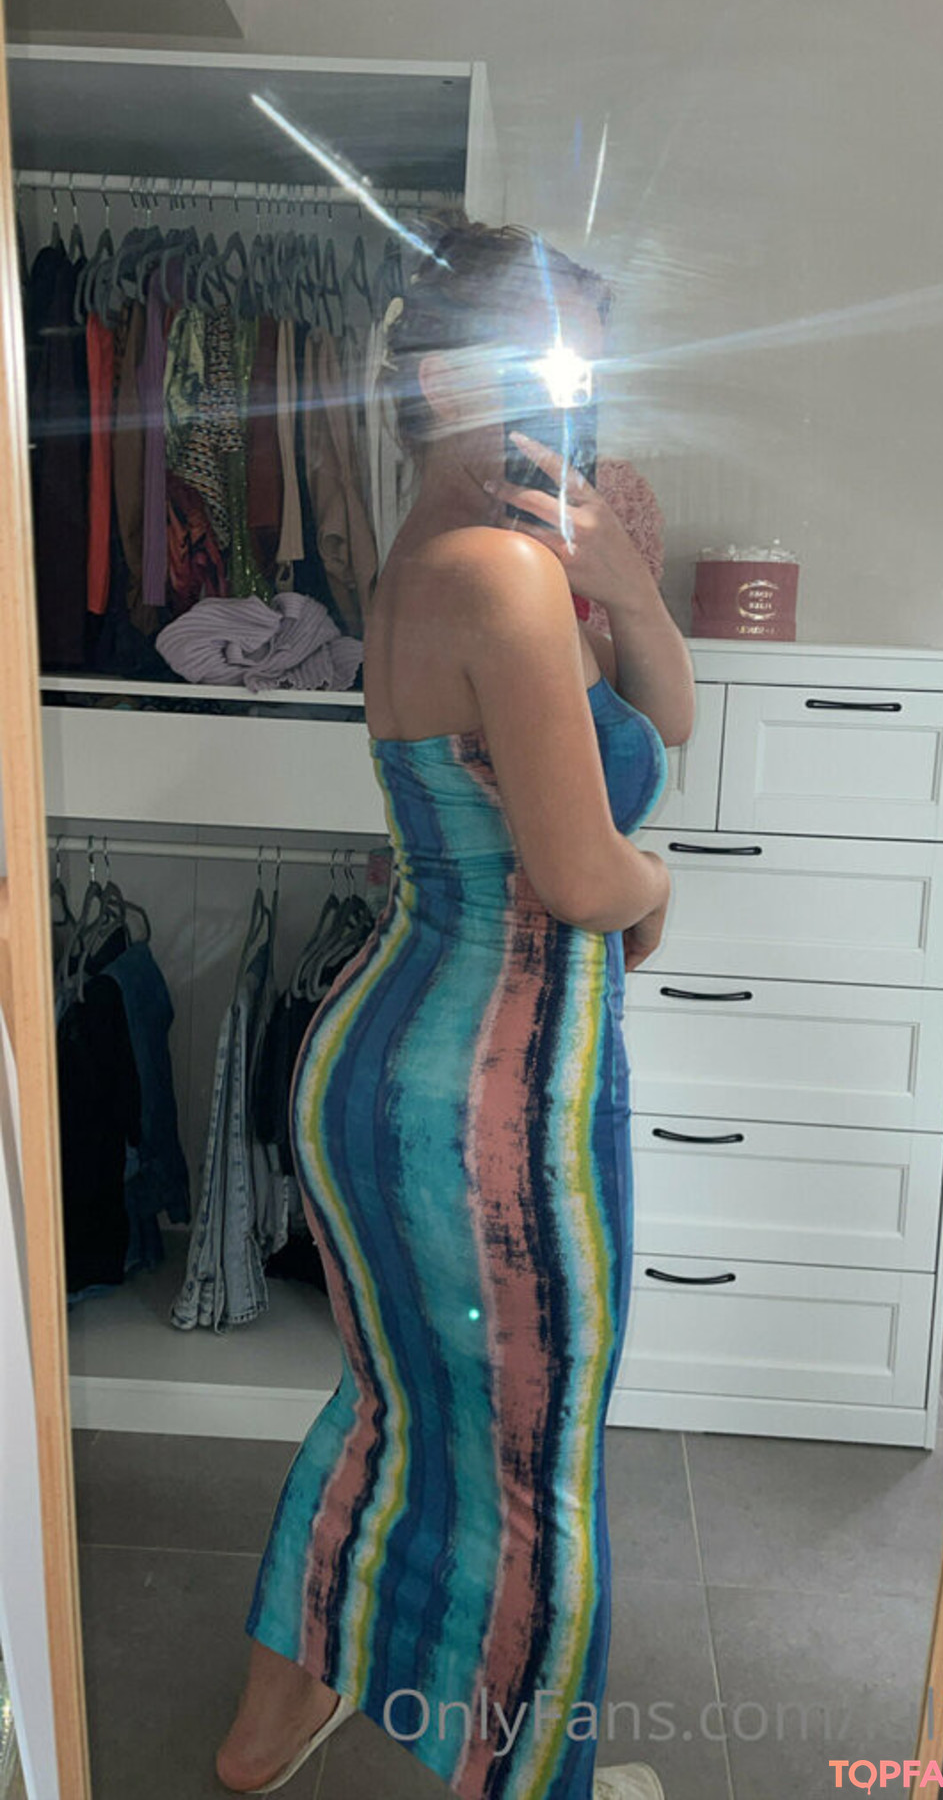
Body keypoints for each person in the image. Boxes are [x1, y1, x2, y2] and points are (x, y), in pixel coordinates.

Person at [215, 217, 696, 1798]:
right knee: (536, 1462)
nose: (569, 401)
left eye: (579, 372)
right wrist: (656, 885)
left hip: (397, 1062)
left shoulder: (447, 548)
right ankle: (537, 1773)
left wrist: (626, 587)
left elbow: (663, 719)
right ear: (440, 379)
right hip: (498, 1093)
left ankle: (267, 1726)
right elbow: (584, 874)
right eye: (540, 366)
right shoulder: (498, 571)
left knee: (393, 1406)